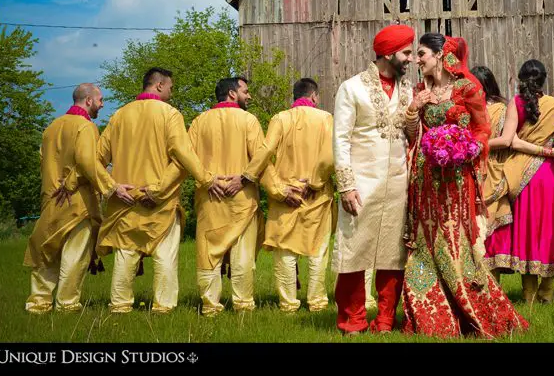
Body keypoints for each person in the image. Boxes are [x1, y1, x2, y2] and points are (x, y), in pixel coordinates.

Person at [401, 33, 528, 338]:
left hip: (456, 177)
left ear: (440, 56)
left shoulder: (466, 88)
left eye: (422, 54)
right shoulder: (420, 90)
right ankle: (431, 313)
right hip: (425, 176)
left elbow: (483, 129)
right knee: (426, 241)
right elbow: (412, 134)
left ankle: (468, 306)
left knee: (453, 241)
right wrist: (414, 108)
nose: (417, 60)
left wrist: (465, 147)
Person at [95, 67, 224, 314]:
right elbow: (183, 156)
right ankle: (163, 307)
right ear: (160, 85)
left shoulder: (120, 115)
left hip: (125, 201)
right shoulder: (170, 114)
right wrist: (204, 181)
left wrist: (112, 188)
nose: (172, 93)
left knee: (126, 254)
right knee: (165, 255)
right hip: (160, 202)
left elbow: (96, 159)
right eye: (171, 88)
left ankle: (120, 305)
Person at [150, 76, 265, 316]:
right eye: (245, 91)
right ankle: (243, 306)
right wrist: (245, 179)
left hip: (209, 197)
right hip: (242, 198)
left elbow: (184, 159)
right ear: (232, 93)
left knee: (208, 253)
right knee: (242, 254)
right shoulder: (249, 120)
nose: (249, 96)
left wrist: (203, 180)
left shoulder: (199, 122)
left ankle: (210, 307)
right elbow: (261, 157)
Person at [331, 24, 416, 334]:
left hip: (398, 185)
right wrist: (346, 185)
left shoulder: (409, 90)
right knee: (354, 253)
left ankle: (385, 320)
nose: (411, 59)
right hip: (361, 185)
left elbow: (413, 135)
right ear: (389, 53)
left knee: (393, 256)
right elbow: (340, 139)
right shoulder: (351, 88)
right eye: (407, 52)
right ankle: (352, 321)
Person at [24, 84, 135, 313]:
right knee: (75, 255)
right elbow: (87, 161)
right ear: (88, 100)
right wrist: (112, 188)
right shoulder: (86, 126)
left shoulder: (51, 127)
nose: (102, 105)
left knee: (47, 251)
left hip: (50, 199)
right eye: (100, 100)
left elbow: (43, 161)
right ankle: (67, 304)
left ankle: (38, 303)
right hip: (77, 202)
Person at [236, 78, 335, 313]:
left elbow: (266, 150)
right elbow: (331, 155)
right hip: (317, 195)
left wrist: (249, 175)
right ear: (314, 96)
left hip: (286, 194)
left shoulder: (280, 118)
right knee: (318, 251)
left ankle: (288, 304)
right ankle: (317, 302)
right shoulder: (325, 118)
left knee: (285, 251)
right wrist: (315, 181)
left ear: (295, 96)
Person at [483, 60, 554, 304]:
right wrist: (549, 152)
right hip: (549, 172)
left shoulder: (517, 103)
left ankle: (529, 295)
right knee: (550, 227)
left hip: (522, 172)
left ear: (521, 79)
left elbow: (511, 141)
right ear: (544, 79)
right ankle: (547, 292)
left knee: (528, 229)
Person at [469, 65, 511, 240]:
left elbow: (506, 140)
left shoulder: (500, 109)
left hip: (488, 164)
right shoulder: (471, 107)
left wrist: (476, 145)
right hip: (480, 164)